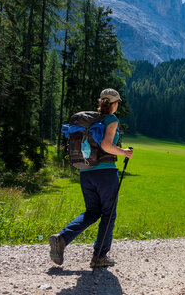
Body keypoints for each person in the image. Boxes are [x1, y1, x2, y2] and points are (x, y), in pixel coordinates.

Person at [49, 88, 133, 268]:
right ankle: (99, 256)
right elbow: (106, 145)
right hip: (105, 173)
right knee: (108, 214)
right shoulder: (111, 119)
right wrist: (124, 152)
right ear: (115, 104)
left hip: (86, 172)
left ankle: (62, 238)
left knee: (93, 212)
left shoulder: (90, 119)